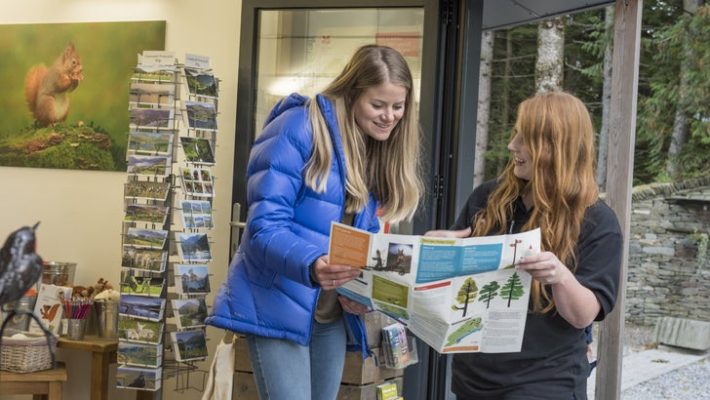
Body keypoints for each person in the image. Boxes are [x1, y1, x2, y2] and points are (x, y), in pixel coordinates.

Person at [206, 45, 422, 400]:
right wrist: (312, 263)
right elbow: (263, 228)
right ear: (352, 93)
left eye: (398, 107)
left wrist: (362, 292)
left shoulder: (371, 147)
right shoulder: (298, 126)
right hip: (277, 305)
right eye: (378, 105)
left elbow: (359, 242)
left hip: (329, 314)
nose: (389, 116)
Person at [427, 91, 622, 399]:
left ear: (554, 147)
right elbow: (453, 286)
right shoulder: (487, 198)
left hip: (545, 382)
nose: (512, 145)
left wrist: (560, 276)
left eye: (524, 137)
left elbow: (584, 315)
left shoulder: (598, 221)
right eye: (515, 133)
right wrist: (440, 251)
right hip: (471, 379)